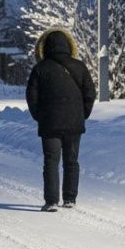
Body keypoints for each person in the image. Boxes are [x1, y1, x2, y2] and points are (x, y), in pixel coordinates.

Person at [26, 28, 95, 212]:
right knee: (71, 161)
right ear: (68, 45)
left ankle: (51, 201)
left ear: (44, 46)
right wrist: (83, 114)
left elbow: (32, 97)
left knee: (51, 161)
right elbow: (90, 93)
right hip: (74, 122)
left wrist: (39, 116)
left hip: (50, 122)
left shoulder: (39, 69)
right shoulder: (79, 67)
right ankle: (70, 198)